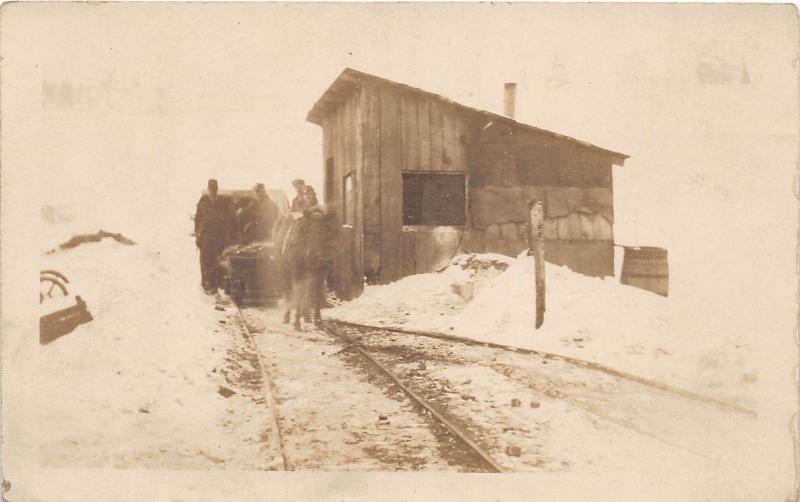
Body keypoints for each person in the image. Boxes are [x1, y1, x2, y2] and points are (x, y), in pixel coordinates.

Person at [194, 179, 234, 293]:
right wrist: (198, 234)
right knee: (205, 261)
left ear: (217, 188)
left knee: (217, 260)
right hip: (206, 236)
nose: (213, 190)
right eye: (211, 188)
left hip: (219, 236)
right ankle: (207, 284)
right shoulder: (203, 201)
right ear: (208, 188)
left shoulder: (223, 202)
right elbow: (198, 219)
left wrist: (227, 234)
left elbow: (229, 218)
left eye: (215, 188)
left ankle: (217, 284)